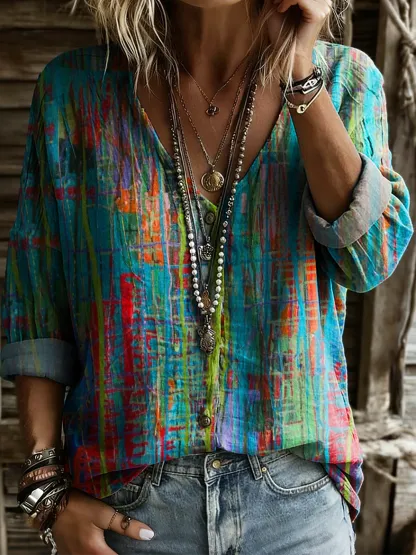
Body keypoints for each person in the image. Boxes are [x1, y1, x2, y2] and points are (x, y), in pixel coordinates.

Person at [0, 0, 413, 553]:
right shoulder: (76, 92)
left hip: (296, 514)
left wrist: (298, 71)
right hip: (129, 512)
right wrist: (46, 492)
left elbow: (369, 260)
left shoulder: (345, 80)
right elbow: (37, 305)